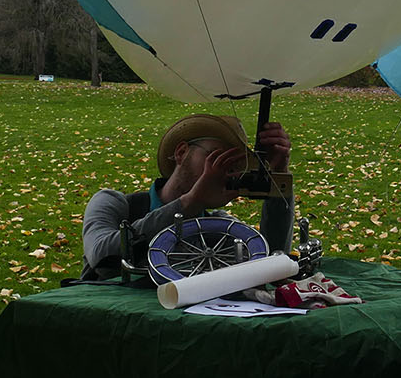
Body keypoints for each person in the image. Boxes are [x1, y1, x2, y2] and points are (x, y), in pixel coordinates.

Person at [79, 114, 292, 279]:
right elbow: (101, 255)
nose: (223, 171)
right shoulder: (114, 203)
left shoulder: (218, 226)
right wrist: (190, 202)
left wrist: (278, 177)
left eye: (235, 166)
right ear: (181, 152)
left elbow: (272, 260)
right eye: (216, 158)